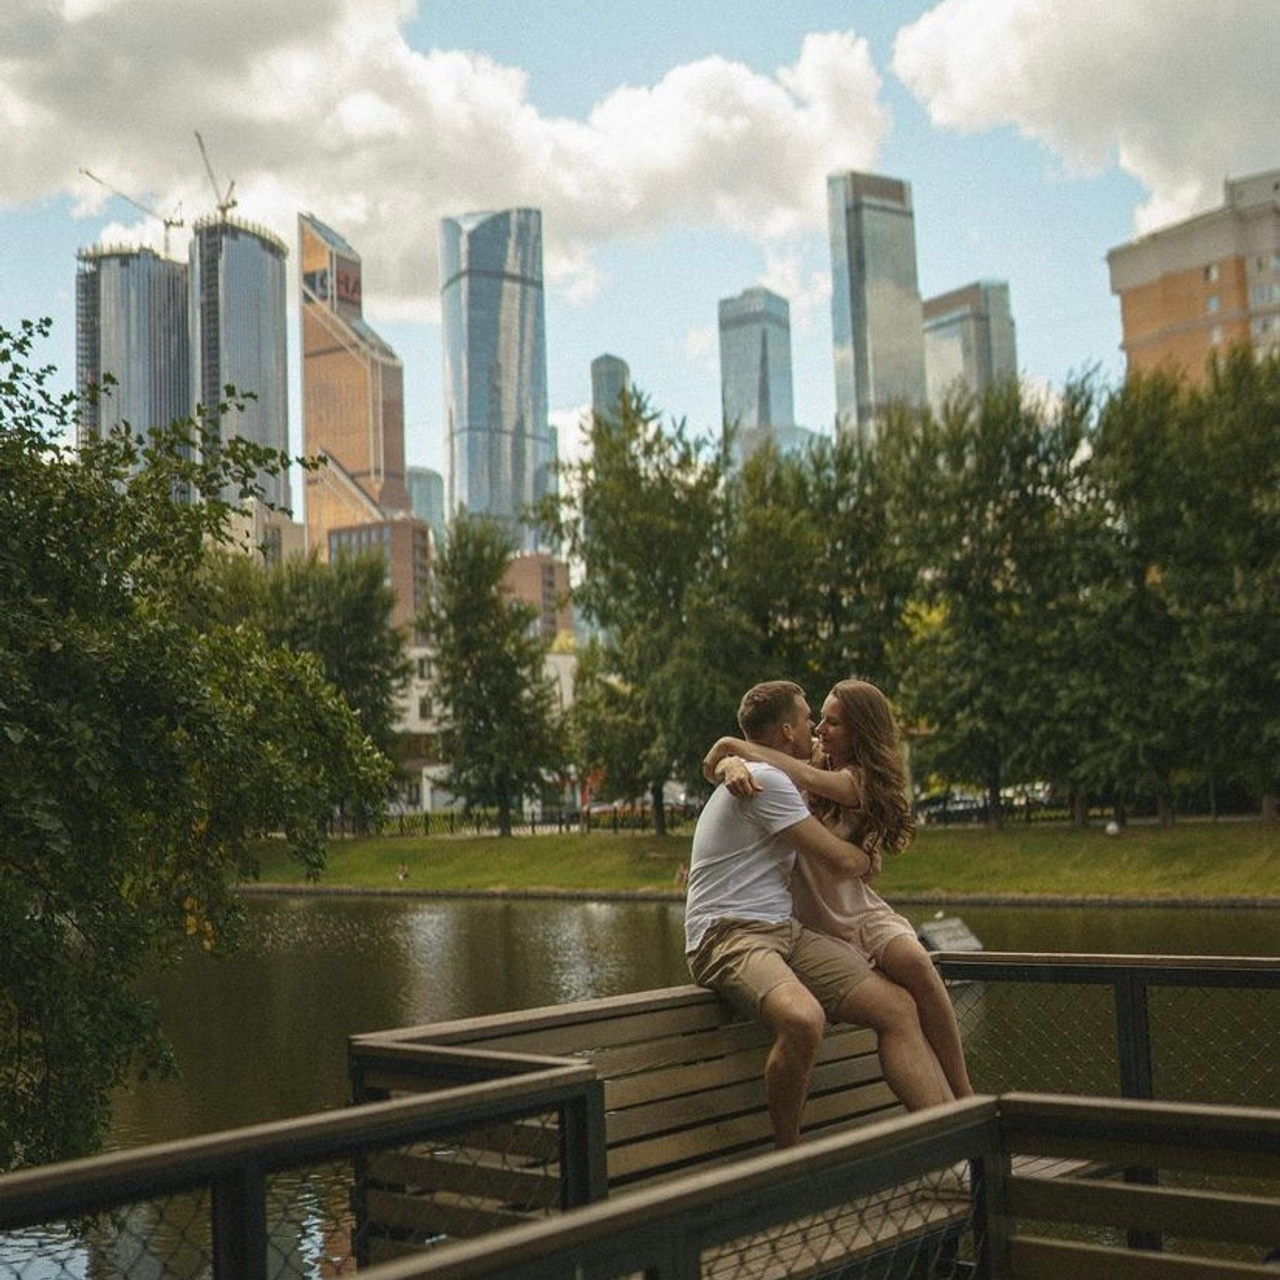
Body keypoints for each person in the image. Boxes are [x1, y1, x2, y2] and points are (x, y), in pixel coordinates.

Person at [685, 680, 954, 1148]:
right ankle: (790, 1160)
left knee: (898, 1007)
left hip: (781, 931)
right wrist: (728, 757)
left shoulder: (778, 774)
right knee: (804, 1020)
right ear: (788, 732)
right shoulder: (767, 782)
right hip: (727, 936)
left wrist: (727, 755)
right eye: (811, 719)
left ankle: (956, 1145)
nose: (816, 728)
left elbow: (754, 767)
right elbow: (845, 861)